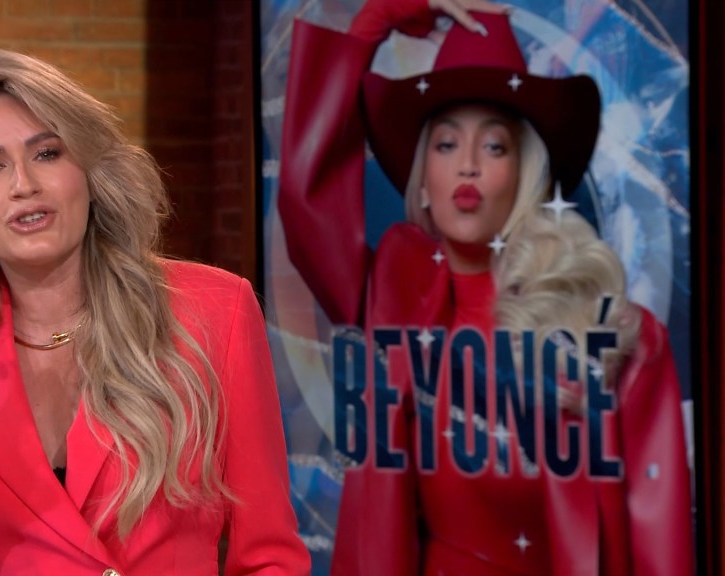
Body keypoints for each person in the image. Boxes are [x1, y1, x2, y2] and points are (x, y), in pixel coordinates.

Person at [278, 0, 693, 574]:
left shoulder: (617, 335)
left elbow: (659, 545)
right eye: (446, 144)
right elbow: (307, 203)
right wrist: (377, 19)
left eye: (494, 146)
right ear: (424, 180)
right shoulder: (387, 294)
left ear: (525, 173)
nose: (468, 165)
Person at [0, 48, 311, 575]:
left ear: (88, 172)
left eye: (47, 153)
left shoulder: (214, 310)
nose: (23, 184)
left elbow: (269, 556)